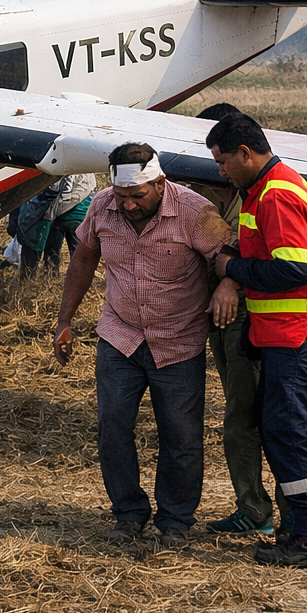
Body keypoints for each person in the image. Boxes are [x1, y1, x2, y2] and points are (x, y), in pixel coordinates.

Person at [51, 142, 235, 549]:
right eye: (122, 196)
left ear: (160, 183)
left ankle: (175, 521)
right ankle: (128, 514)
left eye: (138, 196)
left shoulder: (194, 211)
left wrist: (229, 284)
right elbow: (84, 259)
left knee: (181, 435)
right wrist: (65, 320)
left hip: (179, 341)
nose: (129, 205)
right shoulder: (102, 207)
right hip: (120, 337)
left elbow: (228, 254)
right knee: (113, 428)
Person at [208, 113, 307, 569]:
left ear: (245, 153)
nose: (221, 172)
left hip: (300, 332)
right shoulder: (268, 188)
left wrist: (231, 270)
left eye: (223, 162)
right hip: (296, 331)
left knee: (288, 430)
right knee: (295, 427)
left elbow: (293, 270)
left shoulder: (275, 195)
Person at [193, 101, 274, 538]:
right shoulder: (205, 189)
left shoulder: (263, 192)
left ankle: (268, 512)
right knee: (239, 414)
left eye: (221, 158)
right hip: (220, 317)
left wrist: (231, 280)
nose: (217, 166)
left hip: (250, 317)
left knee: (250, 417)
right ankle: (255, 506)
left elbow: (272, 257)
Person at [14, 174, 96, 278]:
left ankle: (31, 280)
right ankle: (55, 277)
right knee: (76, 255)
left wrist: (49, 215)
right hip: (81, 206)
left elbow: (54, 190)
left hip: (58, 209)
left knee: (35, 245)